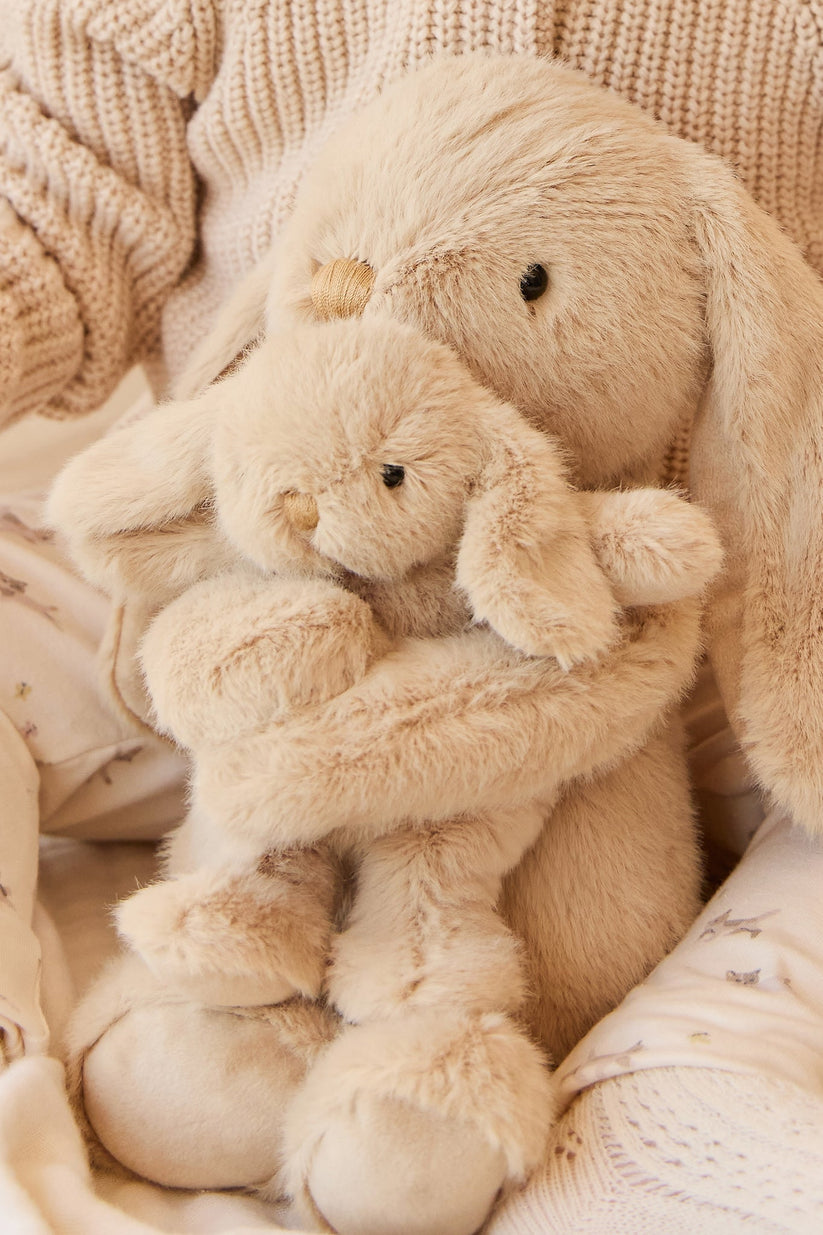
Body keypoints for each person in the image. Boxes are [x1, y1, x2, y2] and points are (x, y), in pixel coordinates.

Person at [1, 2, 822, 1231]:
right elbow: (59, 192)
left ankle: (699, 1052)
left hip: (682, 628)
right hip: (257, 572)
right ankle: (190, 1005)